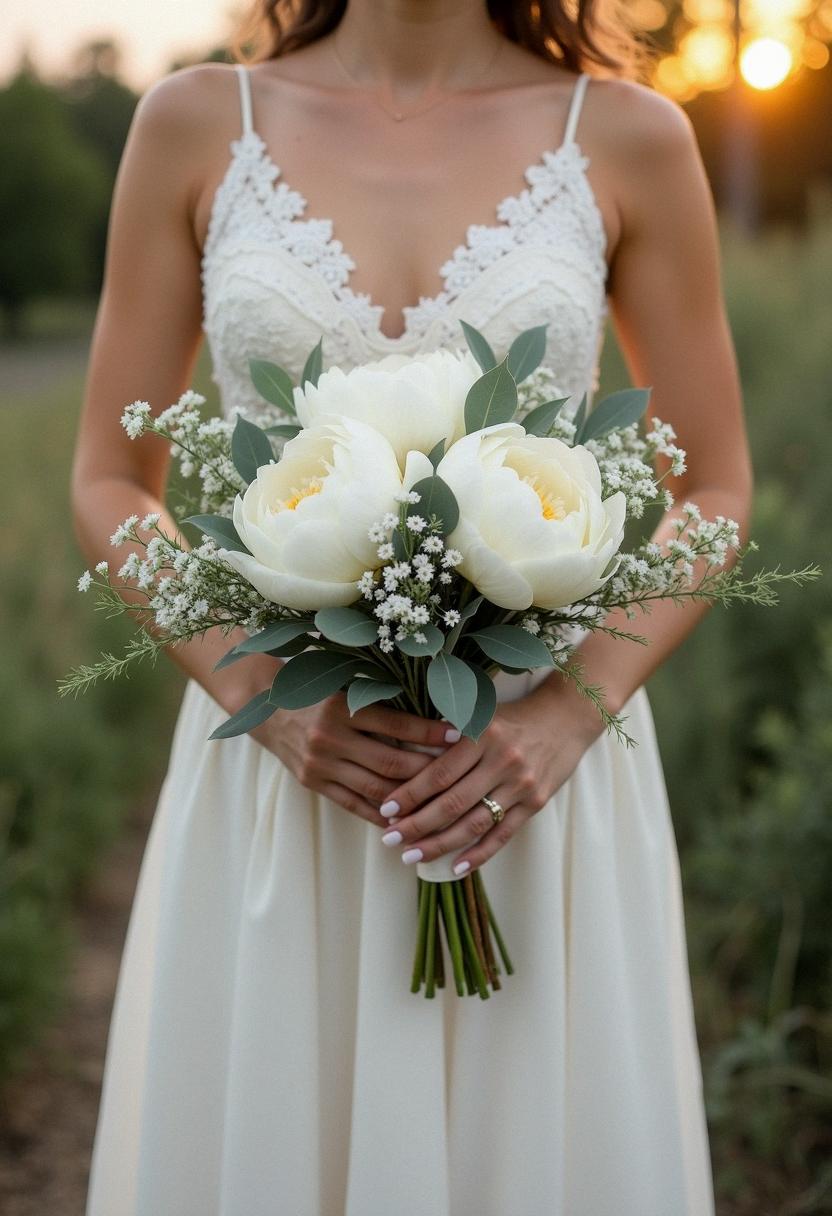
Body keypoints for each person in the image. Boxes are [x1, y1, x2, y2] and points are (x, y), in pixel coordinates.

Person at [72, 1, 752, 1213]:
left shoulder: (629, 136)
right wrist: (256, 690)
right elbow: (110, 478)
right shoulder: (195, 122)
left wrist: (569, 715)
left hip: (533, 775)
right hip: (288, 759)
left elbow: (714, 486)